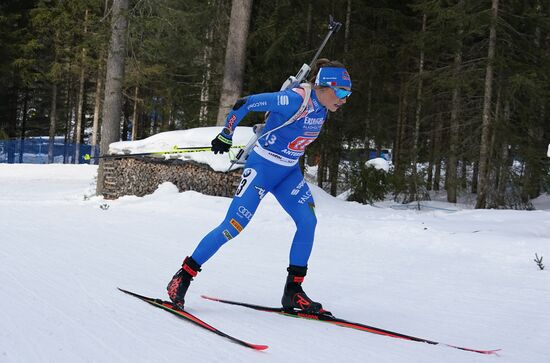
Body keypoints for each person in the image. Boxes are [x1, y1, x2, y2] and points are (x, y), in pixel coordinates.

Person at [167, 59, 352, 314]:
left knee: (308, 222)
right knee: (232, 227)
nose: (344, 99)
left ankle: (293, 293)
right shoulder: (294, 100)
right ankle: (183, 277)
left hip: (288, 172)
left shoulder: (322, 107)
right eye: (341, 92)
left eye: (348, 94)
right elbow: (247, 103)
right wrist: (226, 134)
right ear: (324, 86)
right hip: (262, 169)